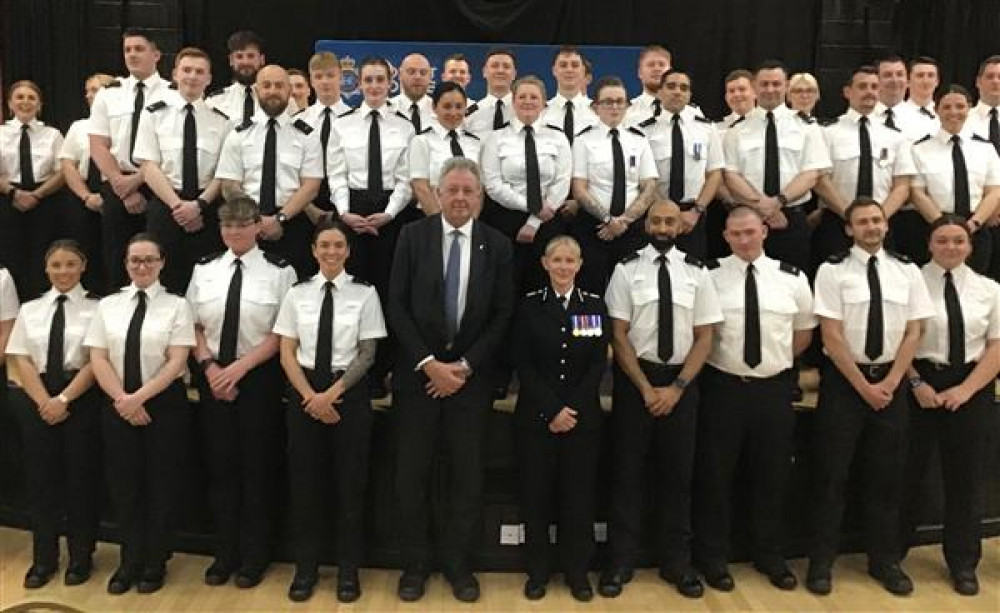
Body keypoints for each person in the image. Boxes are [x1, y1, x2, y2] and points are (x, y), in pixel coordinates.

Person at [388, 157, 513, 603]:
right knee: (411, 477)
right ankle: (415, 566)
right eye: (453, 190)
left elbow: (502, 314)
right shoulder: (412, 236)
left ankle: (460, 566)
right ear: (438, 194)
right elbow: (396, 306)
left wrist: (464, 367)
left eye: (468, 191)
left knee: (466, 478)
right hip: (418, 378)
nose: (460, 198)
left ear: (480, 198)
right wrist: (428, 363)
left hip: (469, 382)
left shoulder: (497, 245)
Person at [808, 198, 933, 597]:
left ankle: (885, 562)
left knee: (887, 480)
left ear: (887, 225)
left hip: (890, 385)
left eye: (877, 220)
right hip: (846, 384)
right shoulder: (831, 270)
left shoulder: (907, 270)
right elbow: (830, 334)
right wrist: (863, 386)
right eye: (862, 222)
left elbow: (914, 332)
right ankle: (821, 563)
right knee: (831, 477)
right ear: (849, 229)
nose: (871, 227)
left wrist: (893, 382)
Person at [599, 198, 723, 600]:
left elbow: (706, 336)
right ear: (647, 225)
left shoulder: (698, 273)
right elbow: (617, 334)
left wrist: (678, 388)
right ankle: (619, 562)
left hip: (681, 385)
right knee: (627, 476)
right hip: (637, 383)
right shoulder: (625, 269)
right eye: (657, 220)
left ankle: (677, 563)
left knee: (678, 478)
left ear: (681, 227)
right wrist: (646, 388)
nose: (664, 226)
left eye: (671, 220)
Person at [692, 207, 815, 592]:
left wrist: (772, 365)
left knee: (772, 474)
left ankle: (770, 554)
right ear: (725, 237)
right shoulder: (708, 276)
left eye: (750, 232)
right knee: (716, 475)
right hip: (723, 386)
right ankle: (713, 558)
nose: (744, 240)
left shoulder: (792, 278)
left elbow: (803, 334)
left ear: (764, 230)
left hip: (772, 389)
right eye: (736, 234)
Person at [273, 218, 386, 603]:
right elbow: (286, 349)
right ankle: (306, 569)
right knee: (305, 488)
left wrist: (331, 394)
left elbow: (368, 353)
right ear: (313, 250)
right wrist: (310, 396)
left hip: (347, 398)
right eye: (325, 245)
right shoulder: (297, 293)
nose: (332, 252)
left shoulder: (365, 294)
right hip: (304, 396)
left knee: (349, 489)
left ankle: (348, 572)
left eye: (339, 245)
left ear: (348, 251)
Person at [186, 196, 296, 589]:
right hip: (212, 377)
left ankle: (254, 556)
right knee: (220, 469)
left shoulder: (279, 271)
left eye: (242, 224)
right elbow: (193, 325)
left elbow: (283, 331)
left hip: (257, 379)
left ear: (257, 227)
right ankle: (224, 554)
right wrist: (210, 368)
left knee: (256, 470)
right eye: (227, 224)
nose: (234, 231)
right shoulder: (204, 269)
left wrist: (238, 369)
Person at [84, 232, 195, 595]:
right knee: (124, 487)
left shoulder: (177, 305)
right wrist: (123, 400)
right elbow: (98, 358)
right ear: (126, 264)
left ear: (162, 262)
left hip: (164, 406)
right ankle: (129, 560)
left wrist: (139, 399)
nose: (142, 266)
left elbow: (177, 360)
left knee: (161, 485)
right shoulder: (108, 306)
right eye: (135, 260)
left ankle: (154, 561)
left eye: (149, 259)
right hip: (117, 404)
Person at [902, 215, 1000, 597]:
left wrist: (966, 390)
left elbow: (995, 348)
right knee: (907, 473)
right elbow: (899, 338)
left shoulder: (990, 289)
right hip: (920, 383)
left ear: (970, 246)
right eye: (942, 240)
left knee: (966, 480)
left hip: (970, 386)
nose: (950, 247)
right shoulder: (911, 284)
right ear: (929, 244)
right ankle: (893, 555)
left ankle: (963, 563)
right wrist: (916, 382)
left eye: (958, 241)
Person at [514, 235, 609, 603]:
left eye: (571, 261)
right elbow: (524, 363)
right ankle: (537, 572)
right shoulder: (529, 306)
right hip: (537, 419)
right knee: (536, 497)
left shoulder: (593, 306)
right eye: (558, 260)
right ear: (545, 264)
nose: (564, 267)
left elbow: (597, 364)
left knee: (578, 498)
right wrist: (552, 410)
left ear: (580, 265)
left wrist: (571, 409)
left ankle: (577, 572)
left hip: (581, 420)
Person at [6, 240, 99, 589]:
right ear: (46, 269)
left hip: (79, 397)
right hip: (37, 400)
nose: (63, 272)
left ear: (83, 266)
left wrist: (64, 399)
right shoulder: (30, 310)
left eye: (70, 264)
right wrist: (45, 400)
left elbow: (96, 360)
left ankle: (80, 557)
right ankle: (43, 559)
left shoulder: (98, 308)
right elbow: (21, 358)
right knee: (42, 484)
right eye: (56, 265)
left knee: (80, 481)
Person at [327, 56, 414, 397]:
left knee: (389, 293)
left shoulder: (404, 125)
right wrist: (345, 213)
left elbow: (407, 178)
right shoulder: (343, 124)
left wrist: (390, 214)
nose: (375, 86)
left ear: (390, 83)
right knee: (352, 294)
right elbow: (336, 174)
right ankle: (351, 371)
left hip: (391, 216)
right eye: (369, 80)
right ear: (359, 84)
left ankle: (383, 371)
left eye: (381, 80)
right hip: (352, 214)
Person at [134, 47, 231, 293]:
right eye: (187, 70)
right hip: (166, 205)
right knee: (162, 279)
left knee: (206, 282)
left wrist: (198, 206)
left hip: (206, 210)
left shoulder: (222, 121)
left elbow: (224, 172)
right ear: (175, 74)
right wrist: (178, 206)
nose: (193, 76)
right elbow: (148, 166)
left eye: (200, 72)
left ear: (209, 79)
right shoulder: (154, 115)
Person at [215, 64, 323, 279]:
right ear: (256, 90)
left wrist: (279, 219)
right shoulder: (238, 134)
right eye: (266, 85)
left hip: (293, 223)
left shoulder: (306, 135)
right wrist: (256, 221)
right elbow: (229, 185)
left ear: (289, 91)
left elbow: (311, 186)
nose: (273, 91)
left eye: (279, 85)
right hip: (246, 224)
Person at [723, 59, 831, 272]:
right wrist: (762, 206)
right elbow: (731, 175)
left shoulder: (807, 127)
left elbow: (811, 174)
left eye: (776, 83)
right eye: (764, 84)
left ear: (787, 86)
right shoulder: (736, 130)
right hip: (748, 219)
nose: (770, 89)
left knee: (793, 282)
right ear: (754, 87)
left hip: (791, 218)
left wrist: (778, 202)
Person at [89, 29, 170, 292]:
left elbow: (172, 150)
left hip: (159, 184)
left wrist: (139, 179)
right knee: (116, 252)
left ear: (156, 54)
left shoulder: (173, 93)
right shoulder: (108, 94)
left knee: (158, 252)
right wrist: (120, 184)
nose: (132, 54)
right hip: (117, 182)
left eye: (139, 49)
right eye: (128, 50)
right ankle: (116, 310)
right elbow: (98, 144)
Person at [812, 66, 914, 275]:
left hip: (883, 225)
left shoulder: (895, 136)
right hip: (837, 222)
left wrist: (876, 219)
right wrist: (852, 216)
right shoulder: (826, 132)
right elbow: (821, 181)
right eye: (862, 86)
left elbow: (902, 186)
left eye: (874, 87)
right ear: (848, 92)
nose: (869, 92)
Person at [481, 75, 572, 296]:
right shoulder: (495, 138)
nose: (528, 101)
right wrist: (531, 206)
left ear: (543, 102)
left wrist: (534, 221)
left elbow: (561, 182)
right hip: (506, 220)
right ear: (513, 101)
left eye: (534, 97)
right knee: (505, 287)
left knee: (545, 287)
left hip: (547, 221)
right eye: (522, 96)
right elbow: (492, 184)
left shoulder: (558, 138)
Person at [571, 76, 657, 294]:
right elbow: (579, 189)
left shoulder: (639, 140)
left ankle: (627, 330)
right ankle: (594, 330)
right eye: (608, 101)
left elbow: (649, 186)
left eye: (620, 101)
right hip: (595, 228)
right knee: (591, 290)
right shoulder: (583, 140)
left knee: (633, 291)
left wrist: (623, 222)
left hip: (632, 229)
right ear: (595, 107)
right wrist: (609, 221)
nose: (615, 106)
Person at [909, 85, 1000, 274]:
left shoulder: (985, 148)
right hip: (935, 228)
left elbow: (994, 191)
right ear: (936, 110)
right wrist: (944, 226)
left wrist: (973, 224)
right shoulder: (919, 149)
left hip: (976, 228)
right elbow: (917, 193)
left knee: (976, 290)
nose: (954, 112)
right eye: (947, 107)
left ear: (969, 108)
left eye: (960, 106)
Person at [640, 69, 724, 259]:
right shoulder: (644, 131)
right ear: (660, 92)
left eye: (683, 88)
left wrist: (696, 211)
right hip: (655, 214)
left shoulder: (706, 128)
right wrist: (662, 211)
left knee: (692, 274)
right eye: (671, 86)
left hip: (692, 216)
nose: (677, 91)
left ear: (689, 95)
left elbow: (715, 173)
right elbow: (641, 176)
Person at [0, 80, 66, 301]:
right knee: (10, 254)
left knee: (43, 253)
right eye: (19, 97)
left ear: (39, 105)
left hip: (45, 199)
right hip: (8, 199)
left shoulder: (53, 135)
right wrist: (13, 193)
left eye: (31, 98)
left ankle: (41, 304)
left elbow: (63, 171)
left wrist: (37, 194)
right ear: (10, 104)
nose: (25, 102)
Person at [59, 73, 115, 293]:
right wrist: (86, 196)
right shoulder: (79, 126)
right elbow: (68, 164)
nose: (90, 94)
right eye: (88, 90)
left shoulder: (120, 124)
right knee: (83, 246)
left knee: (112, 248)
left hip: (115, 191)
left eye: (96, 89)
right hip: (83, 194)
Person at [408, 81, 481, 216]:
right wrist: (442, 225)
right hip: (429, 218)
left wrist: (471, 224)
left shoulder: (475, 143)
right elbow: (420, 187)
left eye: (459, 107)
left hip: (468, 220)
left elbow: (479, 189)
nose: (453, 112)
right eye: (447, 106)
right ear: (434, 108)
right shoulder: (422, 141)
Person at [297, 52, 351, 222]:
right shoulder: (298, 121)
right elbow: (291, 168)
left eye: (330, 75)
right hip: (304, 206)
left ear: (341, 77)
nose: (325, 81)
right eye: (318, 76)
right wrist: (308, 208)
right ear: (311, 81)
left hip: (347, 204)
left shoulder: (355, 119)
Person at [968, 55, 1000, 279]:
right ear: (978, 82)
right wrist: (988, 208)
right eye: (990, 77)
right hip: (977, 216)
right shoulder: (962, 119)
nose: (996, 82)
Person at [542, 46, 599, 146]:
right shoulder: (542, 111)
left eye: (575, 65)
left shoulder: (597, 111)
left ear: (583, 71)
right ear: (554, 71)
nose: (569, 70)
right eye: (563, 65)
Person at [207, 30, 266, 126]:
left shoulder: (275, 99)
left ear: (262, 59)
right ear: (231, 60)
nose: (245, 62)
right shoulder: (216, 101)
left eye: (251, 56)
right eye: (239, 56)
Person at [465, 48, 516, 134]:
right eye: (494, 66)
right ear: (484, 72)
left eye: (506, 66)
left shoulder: (524, 110)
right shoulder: (470, 114)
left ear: (514, 74)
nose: (500, 70)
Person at [622, 45, 672, 126]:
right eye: (651, 65)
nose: (657, 68)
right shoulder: (626, 112)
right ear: (640, 72)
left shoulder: (690, 113)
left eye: (662, 64)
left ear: (671, 71)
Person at [391, 53, 434, 133]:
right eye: (411, 72)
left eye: (423, 72)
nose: (418, 77)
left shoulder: (439, 111)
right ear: (400, 75)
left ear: (430, 77)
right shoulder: (388, 109)